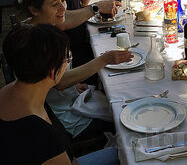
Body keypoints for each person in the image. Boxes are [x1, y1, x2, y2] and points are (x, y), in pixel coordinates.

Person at [20, 0, 133, 143]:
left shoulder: (39, 26)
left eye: (63, 0)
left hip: (64, 100)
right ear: (34, 9)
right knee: (125, 119)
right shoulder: (38, 41)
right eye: (54, 4)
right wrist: (104, 60)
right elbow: (60, 82)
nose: (62, 9)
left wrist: (73, 84)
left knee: (119, 98)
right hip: (63, 120)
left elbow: (53, 79)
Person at [0, 24, 120, 164]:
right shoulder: (42, 135)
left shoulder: (8, 91)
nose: (67, 64)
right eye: (67, 60)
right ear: (53, 71)